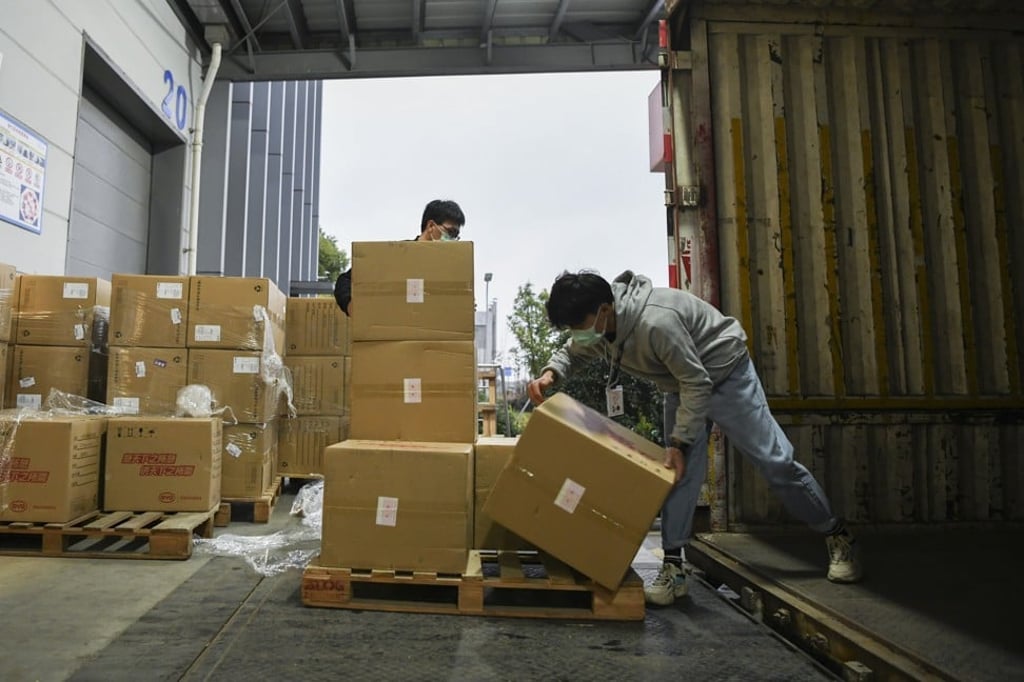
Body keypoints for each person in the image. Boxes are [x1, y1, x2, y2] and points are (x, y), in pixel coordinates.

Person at [527, 270, 863, 606]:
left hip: (724, 375)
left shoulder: (657, 323)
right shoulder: (601, 326)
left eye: (578, 325)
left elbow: (698, 384)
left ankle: (836, 533)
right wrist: (550, 374)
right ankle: (674, 569)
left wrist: (679, 442)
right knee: (676, 476)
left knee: (774, 461)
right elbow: (574, 352)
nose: (576, 333)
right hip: (681, 383)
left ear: (603, 310)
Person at [333, 199, 466, 315]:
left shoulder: (446, 269)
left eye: (456, 236)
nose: (452, 239)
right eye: (450, 232)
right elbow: (345, 281)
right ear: (431, 226)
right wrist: (352, 306)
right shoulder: (396, 254)